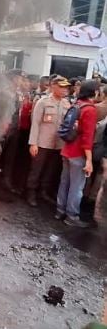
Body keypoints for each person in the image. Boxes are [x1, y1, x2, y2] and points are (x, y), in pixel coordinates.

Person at [56, 79, 99, 227]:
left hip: (67, 149)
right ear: (94, 92)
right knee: (77, 186)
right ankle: (71, 216)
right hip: (78, 153)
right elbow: (87, 137)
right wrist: (89, 160)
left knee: (64, 182)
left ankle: (60, 210)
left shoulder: (76, 104)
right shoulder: (90, 109)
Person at [26, 76, 71, 207]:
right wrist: (33, 143)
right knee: (36, 169)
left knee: (50, 170)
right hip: (42, 143)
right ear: (53, 86)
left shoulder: (66, 104)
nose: (65, 90)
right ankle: (31, 193)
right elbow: (35, 123)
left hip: (58, 144)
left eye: (66, 87)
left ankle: (43, 192)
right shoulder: (43, 102)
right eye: (61, 87)